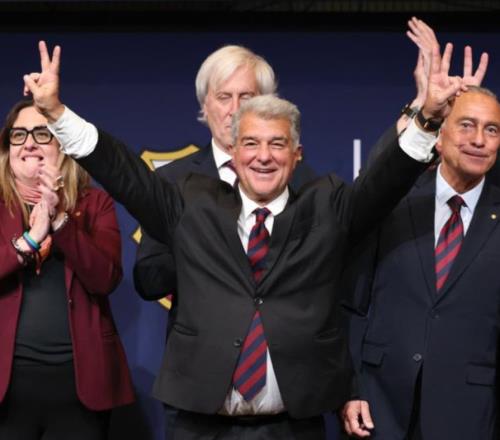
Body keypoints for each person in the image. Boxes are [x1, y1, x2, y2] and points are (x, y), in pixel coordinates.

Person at [24, 39, 461, 439]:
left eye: (277, 144)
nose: (263, 156)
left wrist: (427, 118)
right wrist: (57, 113)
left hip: (292, 425)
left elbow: (384, 182)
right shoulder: (190, 203)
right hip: (200, 423)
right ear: (233, 155)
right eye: (250, 143)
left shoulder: (326, 204)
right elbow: (121, 170)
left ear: (297, 155)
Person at [342, 87, 500, 438]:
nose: (479, 139)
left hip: (470, 415)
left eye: (491, 129)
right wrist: (351, 388)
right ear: (438, 137)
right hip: (379, 408)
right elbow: (352, 304)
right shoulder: (393, 200)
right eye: (466, 125)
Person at [134, 45, 316, 303]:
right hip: (203, 326)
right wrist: (199, 248)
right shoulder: (172, 182)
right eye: (224, 97)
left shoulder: (302, 180)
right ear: (205, 105)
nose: (235, 109)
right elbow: (149, 279)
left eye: (246, 97)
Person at [0, 99, 135, 439]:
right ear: (8, 148)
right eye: (18, 135)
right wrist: (30, 240)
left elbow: (105, 279)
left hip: (79, 388)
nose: (29, 143)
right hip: (6, 387)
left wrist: (60, 221)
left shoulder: (94, 204)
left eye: (42, 133)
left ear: (62, 145)